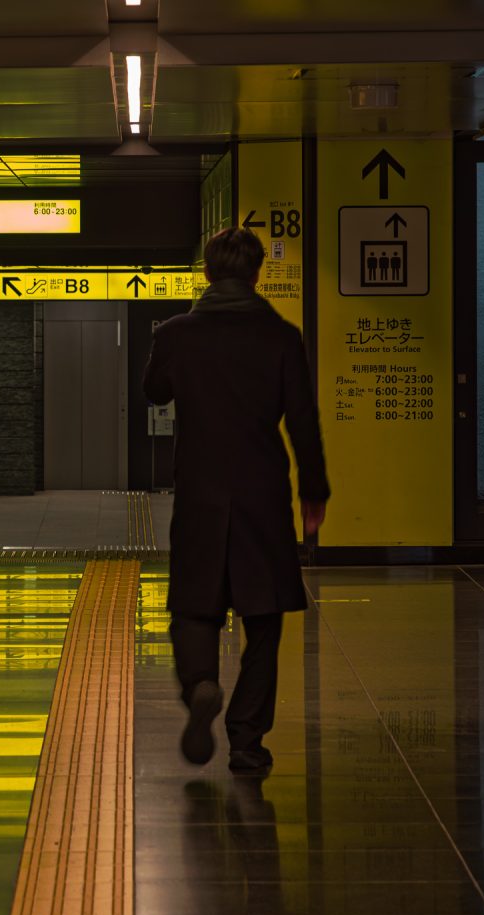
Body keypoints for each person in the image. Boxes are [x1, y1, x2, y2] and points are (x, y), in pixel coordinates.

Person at [143, 227, 330, 772]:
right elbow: (302, 421)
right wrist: (313, 491)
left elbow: (154, 392)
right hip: (261, 492)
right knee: (264, 615)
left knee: (194, 605)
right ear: (256, 274)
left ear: (205, 273)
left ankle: (201, 683)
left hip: (200, 490)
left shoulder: (177, 333)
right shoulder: (282, 337)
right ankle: (247, 740)